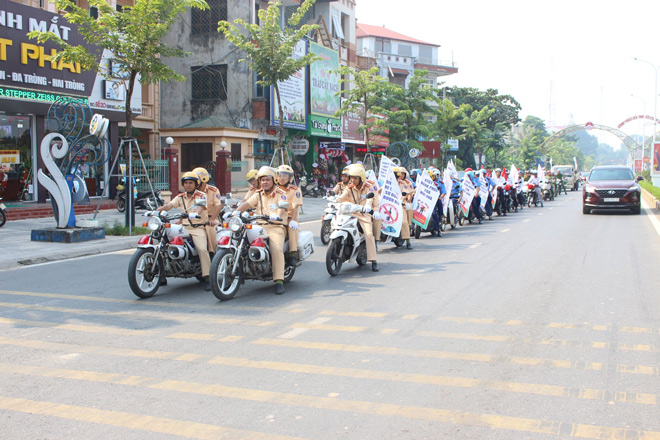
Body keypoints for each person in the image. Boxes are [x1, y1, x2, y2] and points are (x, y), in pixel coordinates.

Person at [233, 166, 290, 295]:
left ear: (274, 180)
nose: (264, 182)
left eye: (267, 180)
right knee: (241, 241)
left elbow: (282, 207)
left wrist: (278, 215)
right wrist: (235, 213)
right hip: (259, 226)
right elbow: (247, 204)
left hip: (275, 226)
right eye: (262, 180)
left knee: (276, 248)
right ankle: (240, 271)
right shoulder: (258, 194)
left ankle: (279, 281)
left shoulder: (281, 194)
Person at [156, 172, 211, 290]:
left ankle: (208, 277)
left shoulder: (201, 195)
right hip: (183, 227)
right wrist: (156, 211)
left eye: (191, 183)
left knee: (202, 249)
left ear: (196, 184)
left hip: (197, 227)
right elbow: (169, 205)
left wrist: (196, 213)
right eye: (186, 183)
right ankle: (161, 274)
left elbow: (200, 207)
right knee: (163, 242)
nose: (188, 185)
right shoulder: (180, 197)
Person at [337, 164, 382, 272]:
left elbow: (371, 199)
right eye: (351, 177)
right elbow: (342, 197)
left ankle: (374, 261)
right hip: (351, 212)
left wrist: (369, 206)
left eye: (355, 178)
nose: (352, 180)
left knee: (369, 234)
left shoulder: (369, 186)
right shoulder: (349, 188)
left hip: (364, 214)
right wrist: (335, 200)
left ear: (361, 178)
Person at [276, 164, 303, 268]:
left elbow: (295, 206)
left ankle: (292, 254)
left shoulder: (295, 190)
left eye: (284, 176)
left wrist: (293, 220)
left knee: (293, 229)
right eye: (279, 175)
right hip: (276, 217)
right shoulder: (274, 189)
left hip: (289, 218)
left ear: (290, 178)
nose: (281, 178)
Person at [193, 166, 222, 253]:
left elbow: (219, 205)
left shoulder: (213, 190)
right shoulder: (192, 192)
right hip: (196, 219)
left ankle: (212, 252)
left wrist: (212, 219)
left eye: (197, 182)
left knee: (209, 228)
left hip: (210, 218)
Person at [395, 167, 414, 249]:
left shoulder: (404, 183)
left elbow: (406, 194)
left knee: (404, 222)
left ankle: (408, 241)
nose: (401, 175)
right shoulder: (387, 183)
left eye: (402, 174)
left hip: (401, 204)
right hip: (389, 205)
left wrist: (403, 200)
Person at [428, 168, 446, 236]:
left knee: (434, 213)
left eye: (432, 176)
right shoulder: (425, 183)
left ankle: (438, 229)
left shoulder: (438, 184)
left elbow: (443, 192)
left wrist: (440, 197)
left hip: (435, 200)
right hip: (427, 201)